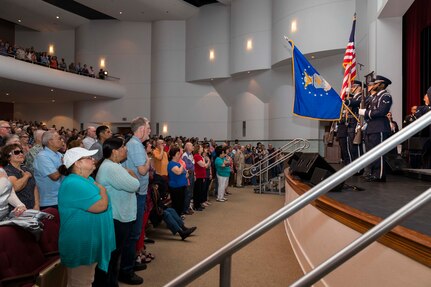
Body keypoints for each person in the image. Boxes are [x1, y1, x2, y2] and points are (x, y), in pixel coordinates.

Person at [57, 147, 115, 287]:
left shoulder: (86, 179)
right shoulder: (74, 183)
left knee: (87, 279)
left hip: (89, 239)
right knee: (80, 282)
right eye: (89, 158)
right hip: (80, 243)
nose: (93, 160)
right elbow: (101, 206)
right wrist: (103, 189)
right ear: (77, 163)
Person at [94, 137, 140, 287]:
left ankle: (111, 283)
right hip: (116, 217)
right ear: (115, 151)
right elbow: (135, 185)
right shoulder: (112, 168)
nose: (126, 149)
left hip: (118, 216)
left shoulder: (114, 165)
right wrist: (131, 174)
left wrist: (129, 173)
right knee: (112, 256)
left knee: (114, 256)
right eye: (123, 147)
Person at [120, 117, 151, 285]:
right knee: (133, 234)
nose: (150, 131)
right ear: (141, 130)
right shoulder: (136, 145)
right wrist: (148, 161)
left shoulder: (134, 144)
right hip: (136, 193)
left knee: (134, 232)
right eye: (148, 128)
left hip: (137, 192)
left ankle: (129, 264)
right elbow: (142, 170)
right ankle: (126, 270)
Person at [359, 75, 393, 182]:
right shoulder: (375, 97)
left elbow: (381, 111)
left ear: (380, 84)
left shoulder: (385, 96)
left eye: (374, 84)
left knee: (379, 153)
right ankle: (373, 173)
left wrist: (366, 112)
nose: (372, 86)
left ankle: (380, 175)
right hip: (372, 127)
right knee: (371, 153)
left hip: (380, 127)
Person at [1, 144, 39, 210]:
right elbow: (15, 187)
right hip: (17, 209)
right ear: (8, 157)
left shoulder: (26, 169)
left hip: (32, 208)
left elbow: (34, 187)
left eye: (21, 152)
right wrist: (26, 176)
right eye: (16, 152)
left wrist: (37, 205)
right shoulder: (7, 171)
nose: (21, 154)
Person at [33, 131, 64, 209]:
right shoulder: (42, 156)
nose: (62, 140)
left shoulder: (59, 155)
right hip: (49, 201)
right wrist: (65, 164)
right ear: (50, 142)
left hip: (61, 197)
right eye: (59, 138)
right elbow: (54, 176)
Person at [167, 146, 188, 216]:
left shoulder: (178, 164)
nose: (180, 155)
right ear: (174, 155)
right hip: (176, 187)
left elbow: (185, 173)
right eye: (178, 154)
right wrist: (182, 165)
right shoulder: (171, 164)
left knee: (180, 204)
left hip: (181, 186)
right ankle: (176, 219)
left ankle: (178, 218)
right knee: (176, 205)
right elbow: (178, 172)